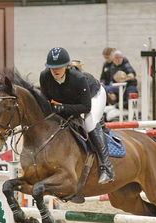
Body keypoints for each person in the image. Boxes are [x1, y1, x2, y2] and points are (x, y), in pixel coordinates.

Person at [39, 47, 113, 184]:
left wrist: (62, 108)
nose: (55, 70)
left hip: (94, 95)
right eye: (52, 67)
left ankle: (106, 168)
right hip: (70, 99)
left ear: (66, 66)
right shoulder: (44, 77)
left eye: (60, 67)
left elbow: (85, 107)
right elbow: (46, 102)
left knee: (89, 123)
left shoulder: (77, 78)